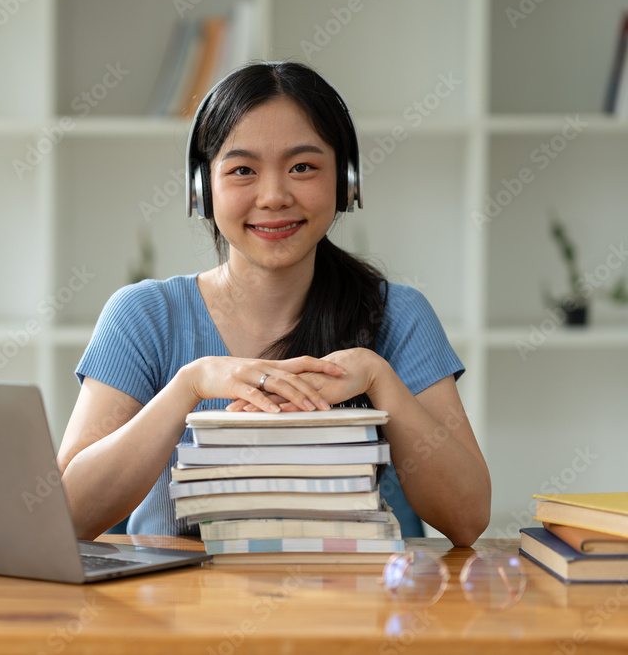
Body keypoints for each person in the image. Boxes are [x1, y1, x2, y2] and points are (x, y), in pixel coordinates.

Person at [57, 61, 491, 547]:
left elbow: (468, 518)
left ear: (346, 182)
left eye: (302, 167)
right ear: (203, 189)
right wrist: (189, 386)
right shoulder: (143, 315)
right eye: (242, 170)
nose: (273, 196)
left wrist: (379, 378)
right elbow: (67, 515)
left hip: (351, 609)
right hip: (178, 613)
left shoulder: (398, 315)